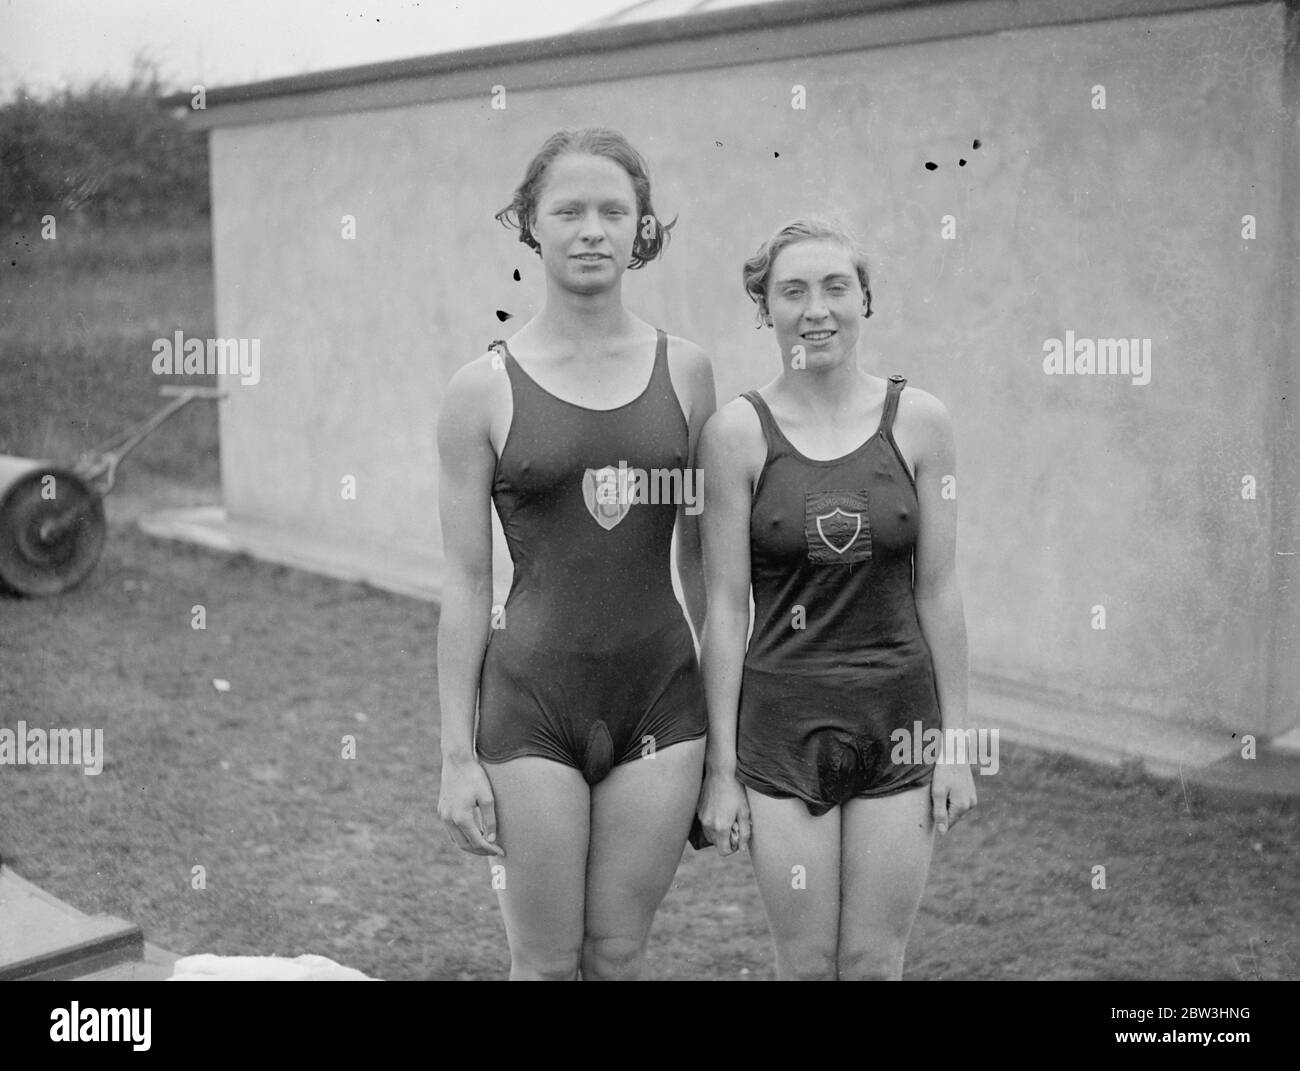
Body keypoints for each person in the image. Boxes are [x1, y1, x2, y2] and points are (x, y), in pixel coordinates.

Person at [435, 128, 716, 980]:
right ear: (531, 224)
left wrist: (730, 741)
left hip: (662, 703)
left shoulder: (691, 373)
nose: (592, 228)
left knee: (620, 952)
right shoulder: (481, 388)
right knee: (547, 961)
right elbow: (465, 579)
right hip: (532, 708)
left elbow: (709, 572)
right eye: (569, 210)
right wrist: (455, 755)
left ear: (642, 228)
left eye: (613, 210)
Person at [696, 217, 976, 980]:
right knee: (809, 961)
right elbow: (725, 608)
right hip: (784, 730)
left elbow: (941, 589)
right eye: (792, 291)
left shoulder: (920, 421)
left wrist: (956, 742)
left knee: (874, 960)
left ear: (865, 301)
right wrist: (721, 769)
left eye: (834, 287)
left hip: (900, 723)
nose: (815, 308)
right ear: (765, 310)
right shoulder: (735, 435)